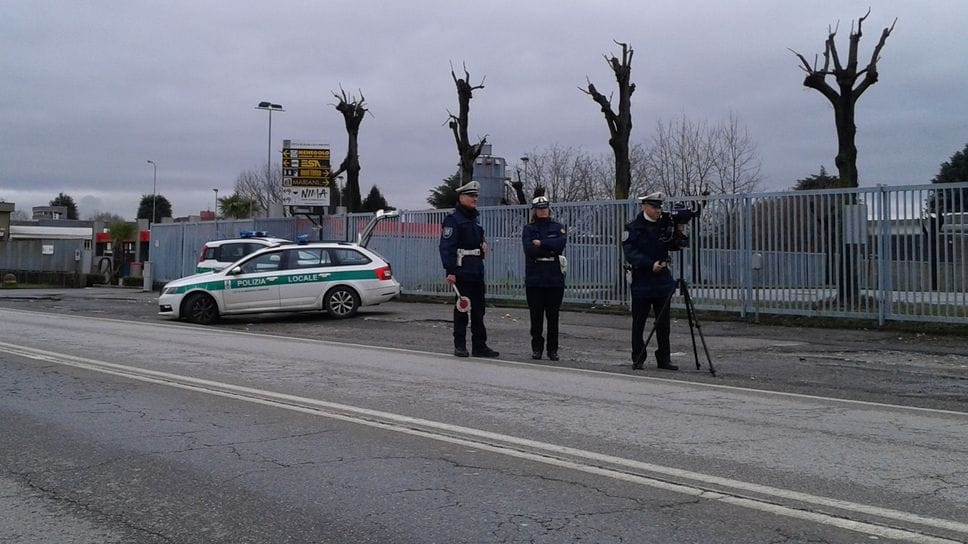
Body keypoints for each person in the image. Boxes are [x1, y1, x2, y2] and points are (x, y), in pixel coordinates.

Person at [439, 181, 499, 358]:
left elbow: (477, 240)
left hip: (476, 270)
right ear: (462, 197)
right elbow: (446, 247)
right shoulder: (453, 220)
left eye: (476, 196)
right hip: (461, 271)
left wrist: (483, 245)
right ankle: (460, 345)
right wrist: (450, 271)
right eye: (471, 196)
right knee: (462, 309)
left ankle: (479, 346)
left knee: (479, 310)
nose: (475, 199)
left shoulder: (474, 219)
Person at [622, 191, 679, 371]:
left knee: (663, 323)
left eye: (659, 207)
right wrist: (649, 264)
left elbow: (675, 245)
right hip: (642, 280)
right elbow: (630, 252)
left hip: (662, 280)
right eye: (654, 207)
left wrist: (679, 230)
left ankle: (664, 358)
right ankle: (638, 357)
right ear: (645, 207)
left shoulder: (665, 224)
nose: (658, 211)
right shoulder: (633, 227)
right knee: (639, 322)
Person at [522, 192, 567, 361]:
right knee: (536, 316)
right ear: (534, 211)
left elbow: (560, 245)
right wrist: (549, 247)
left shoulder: (557, 227)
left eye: (545, 208)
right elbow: (529, 250)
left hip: (554, 277)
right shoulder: (529, 229)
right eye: (539, 209)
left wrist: (541, 243)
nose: (543, 211)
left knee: (553, 316)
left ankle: (552, 350)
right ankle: (537, 349)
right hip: (535, 277)